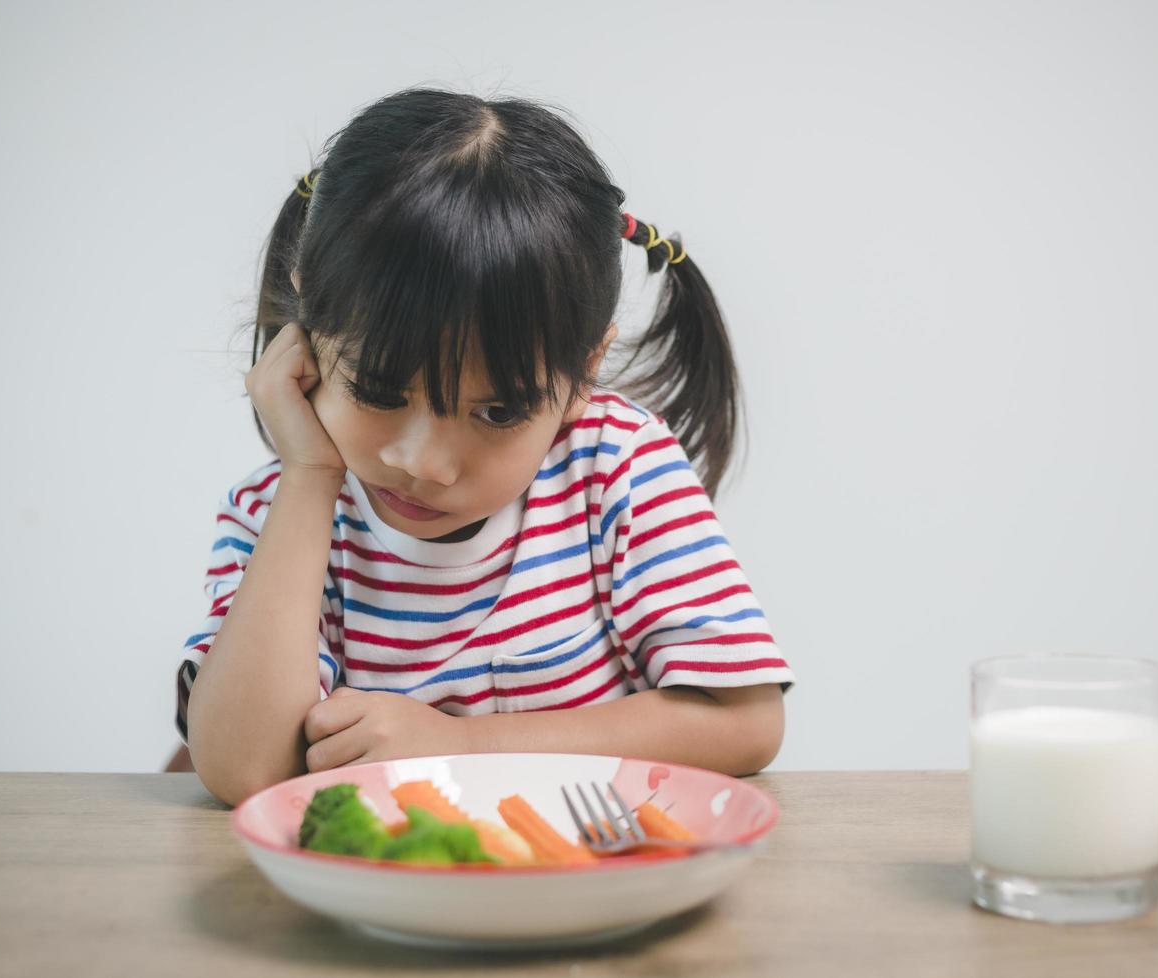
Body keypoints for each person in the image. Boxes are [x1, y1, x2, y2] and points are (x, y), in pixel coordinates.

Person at [177, 87, 795, 806]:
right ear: (306, 319)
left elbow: (746, 721)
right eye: (378, 391)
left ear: (583, 371)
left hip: (586, 891)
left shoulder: (616, 469)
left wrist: (462, 746)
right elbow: (245, 772)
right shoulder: (278, 513)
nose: (423, 462)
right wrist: (311, 474)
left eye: (497, 411)